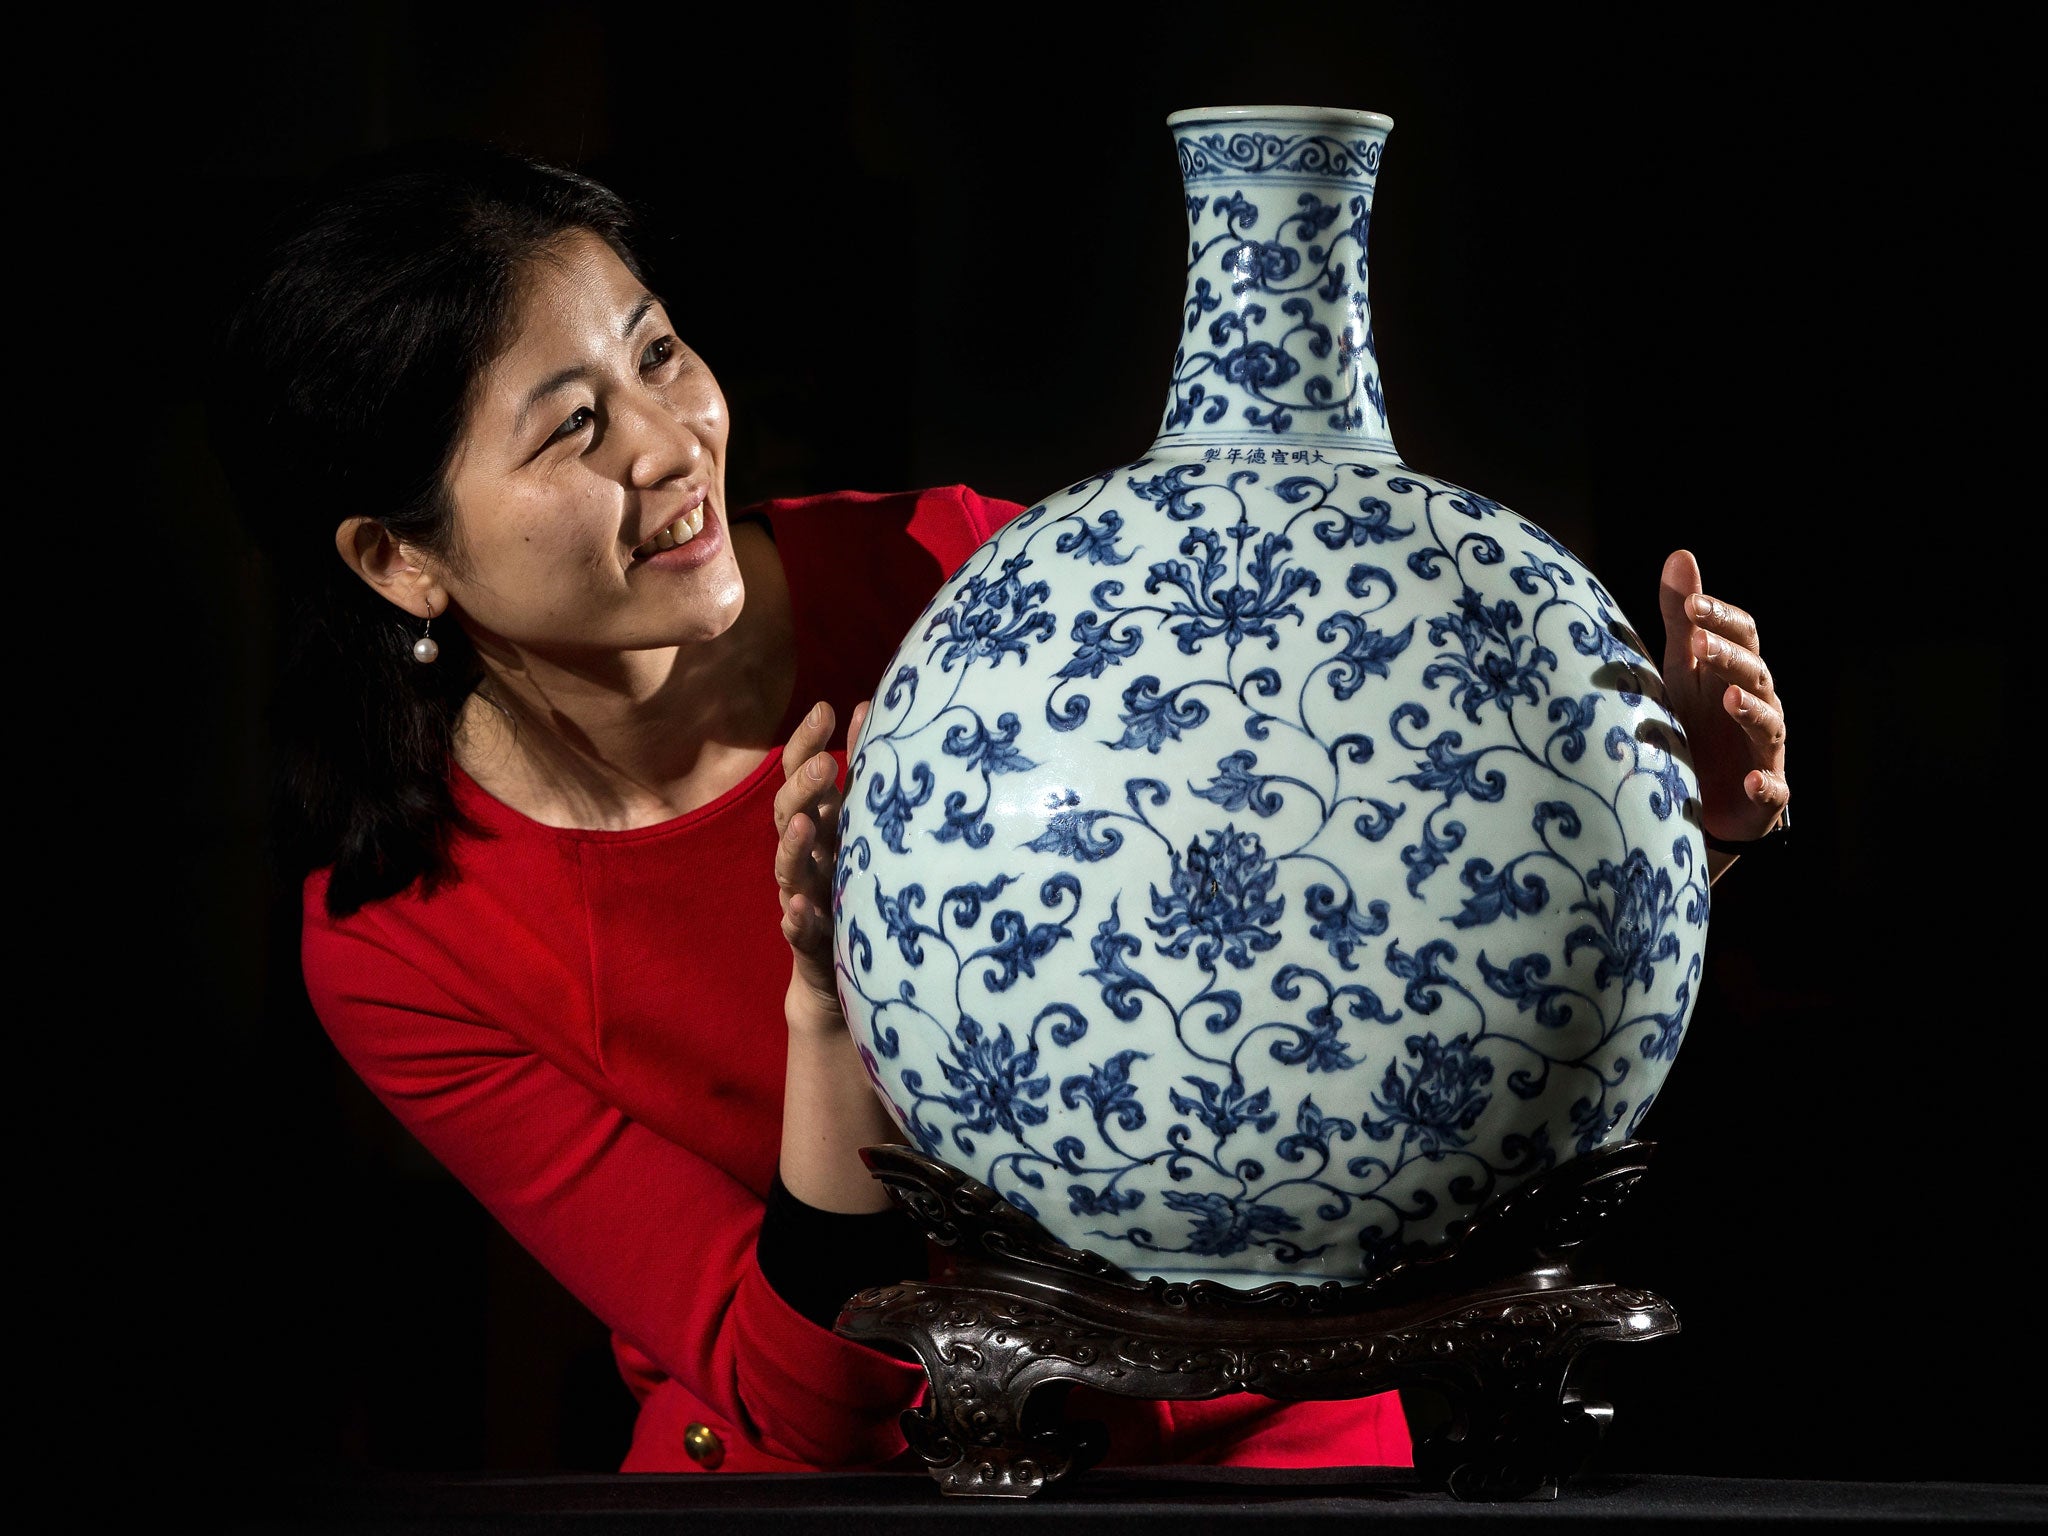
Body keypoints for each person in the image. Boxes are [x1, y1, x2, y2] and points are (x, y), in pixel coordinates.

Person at [217, 143, 1790, 1476]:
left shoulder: (985, 590)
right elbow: (801, 1403)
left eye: (657, 354)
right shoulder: (402, 937)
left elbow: (1369, 975)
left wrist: (1674, 831)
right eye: (572, 428)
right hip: (846, 1501)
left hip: (1270, 1453)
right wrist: (828, 1018)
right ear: (397, 557)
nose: (670, 444)